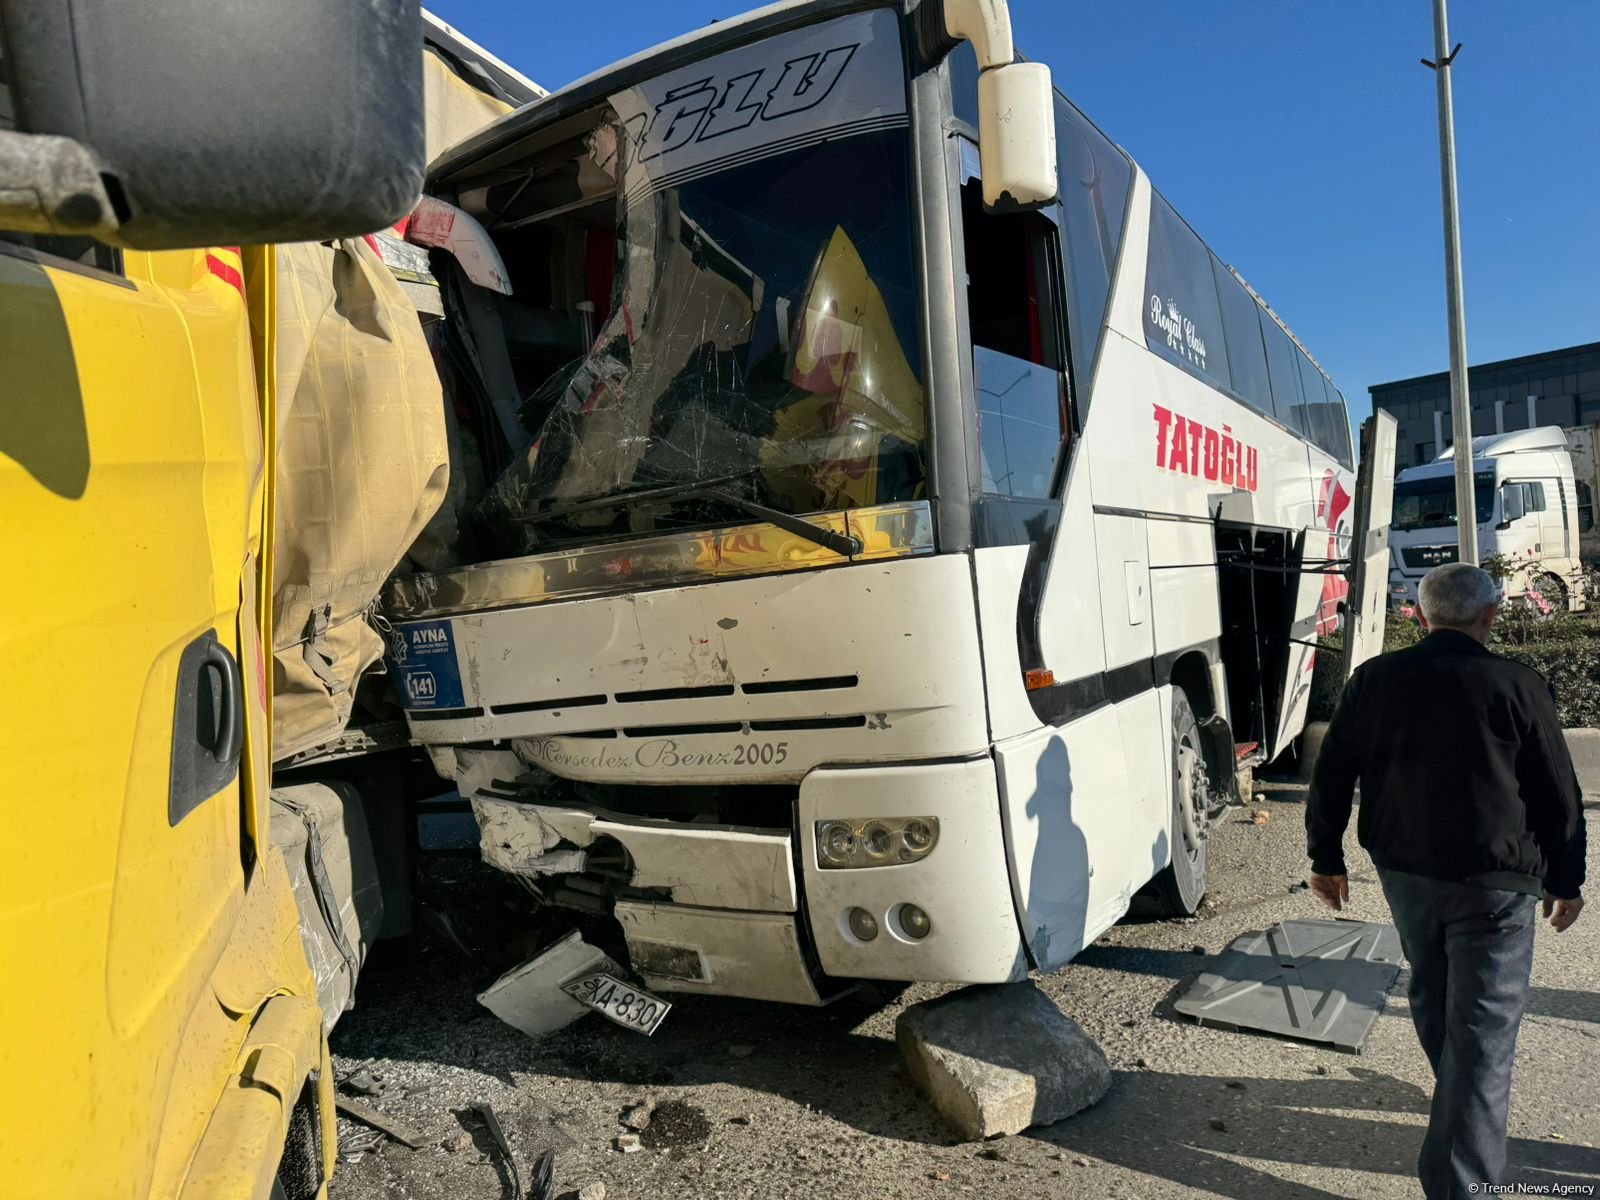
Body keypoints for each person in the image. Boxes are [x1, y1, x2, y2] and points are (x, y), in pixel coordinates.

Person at [1306, 562, 1586, 1200]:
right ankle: (1462, 1182)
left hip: (1405, 875)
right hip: (1496, 884)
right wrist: (1567, 877)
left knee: (1435, 998)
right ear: (1489, 616)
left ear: (1421, 615)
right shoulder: (1516, 683)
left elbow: (1331, 773)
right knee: (1483, 1034)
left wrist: (1327, 858)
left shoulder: (1373, 679)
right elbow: (1557, 793)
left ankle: (1460, 1113)